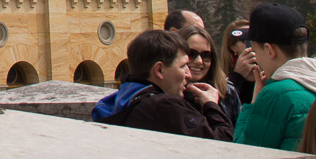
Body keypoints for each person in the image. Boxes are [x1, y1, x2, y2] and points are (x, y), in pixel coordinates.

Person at [233, 4, 316, 152]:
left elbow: (244, 151)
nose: (256, 58)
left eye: (255, 50)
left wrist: (254, 101)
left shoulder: (274, 95)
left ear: (269, 50)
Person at [90, 28, 233, 139]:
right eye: (183, 66)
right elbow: (223, 143)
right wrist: (211, 104)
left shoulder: (126, 97)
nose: (189, 74)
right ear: (159, 70)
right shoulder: (164, 107)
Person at [221, 18, 259, 125]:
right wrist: (237, 76)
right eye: (247, 40)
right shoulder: (226, 82)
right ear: (233, 47)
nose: (253, 44)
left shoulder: (267, 75)